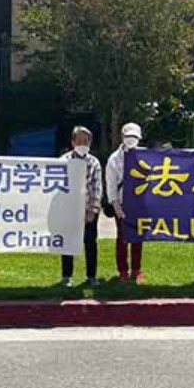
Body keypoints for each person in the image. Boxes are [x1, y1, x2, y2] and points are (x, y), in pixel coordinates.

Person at [60, 126, 102, 287]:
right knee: (68, 243)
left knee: (90, 243)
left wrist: (92, 210)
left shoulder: (94, 162)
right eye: (79, 141)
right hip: (69, 210)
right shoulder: (63, 161)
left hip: (89, 210)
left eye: (86, 141)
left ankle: (91, 276)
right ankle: (67, 276)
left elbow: (97, 188)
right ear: (72, 142)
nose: (83, 143)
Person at [106, 122, 145, 284]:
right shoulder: (114, 159)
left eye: (134, 137)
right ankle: (123, 270)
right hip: (121, 204)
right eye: (128, 137)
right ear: (122, 138)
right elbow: (111, 184)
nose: (131, 140)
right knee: (122, 238)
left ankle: (136, 270)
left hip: (140, 204)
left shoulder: (145, 156)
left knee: (138, 237)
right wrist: (116, 205)